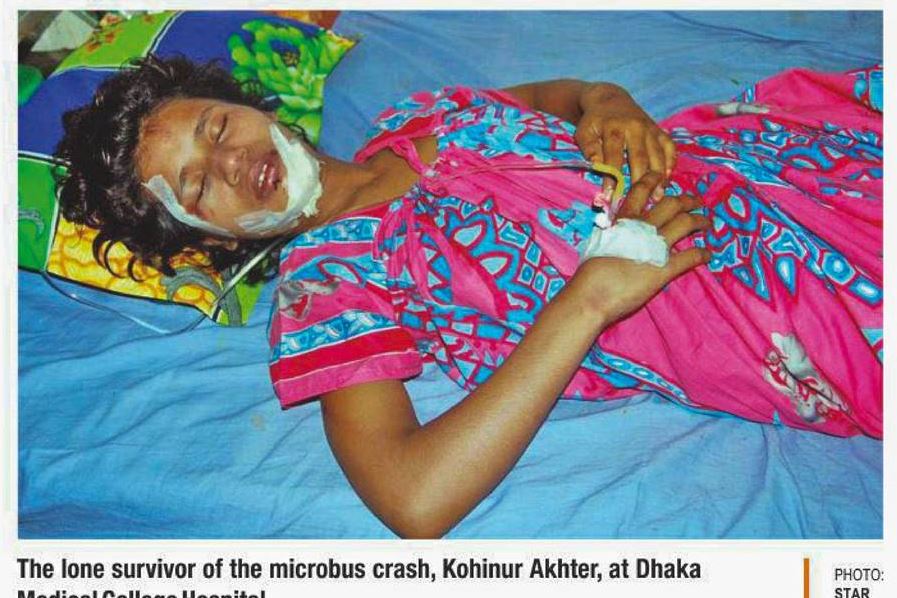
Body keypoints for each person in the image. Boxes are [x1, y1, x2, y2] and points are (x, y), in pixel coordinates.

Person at [56, 55, 882, 538]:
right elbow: (412, 498)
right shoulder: (328, 285)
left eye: (216, 128)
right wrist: (587, 303)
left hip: (781, 155)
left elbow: (554, 98)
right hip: (746, 296)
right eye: (198, 187)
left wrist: (607, 101)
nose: (232, 162)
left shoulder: (420, 115)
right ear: (211, 241)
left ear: (245, 104)